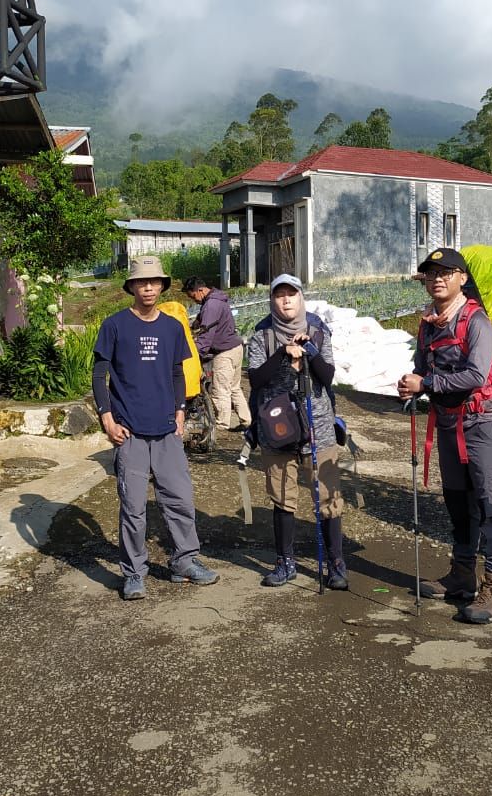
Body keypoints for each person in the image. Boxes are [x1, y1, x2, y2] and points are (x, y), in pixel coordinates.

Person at [93, 254, 219, 601]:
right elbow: (99, 374)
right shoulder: (115, 325)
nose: (148, 287)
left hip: (166, 428)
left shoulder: (172, 326)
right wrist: (106, 417)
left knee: (179, 498)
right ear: (131, 286)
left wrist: (181, 410)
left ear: (162, 286)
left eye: (154, 281)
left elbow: (179, 372)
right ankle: (134, 573)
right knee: (133, 506)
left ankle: (184, 561)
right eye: (141, 282)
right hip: (130, 431)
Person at [397, 247, 492, 624]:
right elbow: (421, 366)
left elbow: (477, 375)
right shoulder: (429, 323)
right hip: (447, 422)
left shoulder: (476, 321)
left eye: (446, 272)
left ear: (462, 277)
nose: (437, 279)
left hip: (481, 424)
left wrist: (426, 382)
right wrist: (411, 384)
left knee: (491, 503)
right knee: (457, 501)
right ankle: (462, 574)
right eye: (431, 274)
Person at [246, 273, 347, 590]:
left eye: (292, 294)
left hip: (318, 426)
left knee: (329, 497)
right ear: (272, 300)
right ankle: (285, 562)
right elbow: (257, 379)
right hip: (276, 426)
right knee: (282, 496)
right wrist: (282, 353)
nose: (286, 300)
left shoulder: (317, 331)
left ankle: (336, 564)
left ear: (301, 297)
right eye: (279, 295)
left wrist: (310, 353)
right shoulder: (261, 334)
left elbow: (328, 377)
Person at [182, 276, 251, 431]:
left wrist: (194, 355)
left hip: (224, 352)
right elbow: (202, 321)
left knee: (220, 390)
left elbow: (206, 335)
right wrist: (192, 326)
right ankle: (246, 420)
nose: (194, 300)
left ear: (199, 290)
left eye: (193, 296)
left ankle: (221, 425)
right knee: (234, 387)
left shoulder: (210, 305)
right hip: (236, 348)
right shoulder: (217, 299)